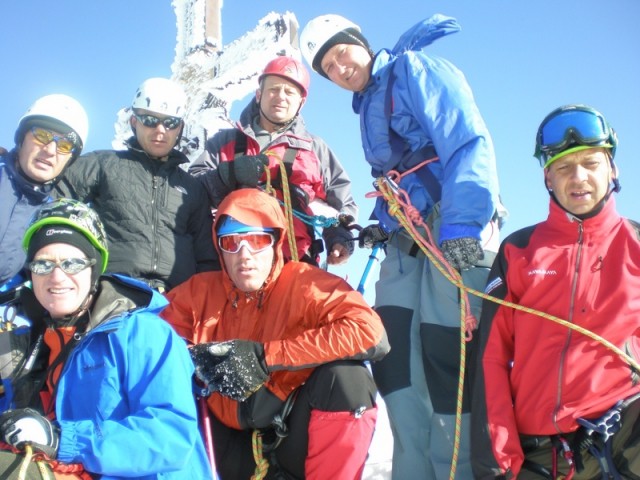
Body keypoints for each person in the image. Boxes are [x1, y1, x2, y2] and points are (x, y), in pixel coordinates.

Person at [300, 13, 505, 479]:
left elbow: (466, 139)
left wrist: (463, 225)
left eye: (341, 51)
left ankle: (460, 470)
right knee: (394, 359)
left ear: (360, 41)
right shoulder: (368, 103)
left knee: (446, 351)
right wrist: (379, 224)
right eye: (328, 66)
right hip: (405, 237)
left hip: (449, 223)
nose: (339, 68)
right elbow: (396, 179)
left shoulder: (413, 70)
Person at [161, 188, 389, 479]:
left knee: (348, 380)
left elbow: (369, 331)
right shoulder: (197, 292)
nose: (244, 255)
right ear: (219, 249)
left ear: (276, 243)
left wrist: (266, 357)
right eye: (231, 242)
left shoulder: (307, 285)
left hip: (289, 432)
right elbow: (152, 344)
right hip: (220, 441)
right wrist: (192, 361)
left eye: (257, 240)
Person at [471, 104, 640, 479]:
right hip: (543, 450)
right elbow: (492, 358)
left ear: (612, 170)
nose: (578, 177)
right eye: (563, 167)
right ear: (548, 178)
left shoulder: (636, 245)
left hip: (623, 435)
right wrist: (495, 462)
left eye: (591, 163)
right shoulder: (519, 250)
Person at [0, 198, 212, 479]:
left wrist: (62, 440)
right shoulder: (36, 343)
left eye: (72, 263)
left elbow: (170, 437)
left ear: (94, 268)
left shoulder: (142, 333)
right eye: (42, 264)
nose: (57, 276)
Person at [189, 56, 357, 266]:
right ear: (258, 95)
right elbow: (192, 192)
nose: (280, 97)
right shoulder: (225, 141)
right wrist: (227, 176)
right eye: (273, 89)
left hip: (294, 260)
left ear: (301, 103)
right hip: (235, 259)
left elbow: (342, 202)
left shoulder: (314, 148)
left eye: (289, 92)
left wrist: (339, 235)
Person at [55, 77, 218, 291]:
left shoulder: (191, 188)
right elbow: (51, 196)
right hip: (112, 294)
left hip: (176, 302)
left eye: (170, 123)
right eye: (150, 120)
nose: (160, 130)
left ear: (179, 128)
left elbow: (206, 257)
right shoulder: (103, 164)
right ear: (134, 122)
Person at [1, 94, 88, 290]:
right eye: (42, 135)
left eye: (65, 145)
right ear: (21, 138)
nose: (50, 150)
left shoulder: (51, 216)